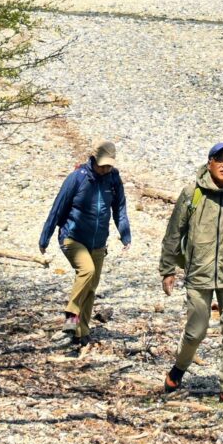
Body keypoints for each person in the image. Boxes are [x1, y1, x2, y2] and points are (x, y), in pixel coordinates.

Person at [159, 140, 223, 401]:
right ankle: (178, 370)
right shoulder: (192, 193)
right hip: (199, 274)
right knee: (196, 331)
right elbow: (174, 233)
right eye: (221, 159)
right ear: (210, 163)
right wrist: (167, 269)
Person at [39, 140, 131, 345]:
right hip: (72, 238)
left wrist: (125, 234)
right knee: (86, 271)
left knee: (91, 287)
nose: (105, 169)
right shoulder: (77, 178)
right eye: (102, 164)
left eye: (109, 165)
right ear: (94, 159)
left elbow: (120, 208)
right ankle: (71, 317)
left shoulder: (113, 179)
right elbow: (57, 208)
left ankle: (82, 333)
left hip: (98, 241)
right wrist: (45, 237)